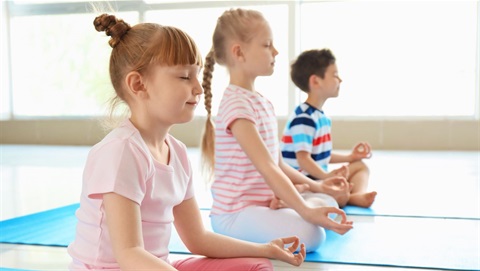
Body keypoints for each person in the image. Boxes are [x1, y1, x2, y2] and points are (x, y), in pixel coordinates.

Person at [67, 13, 308, 271]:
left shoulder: (178, 153)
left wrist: (266, 248)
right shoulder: (120, 152)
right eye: (184, 77)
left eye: (197, 75)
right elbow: (130, 255)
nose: (198, 88)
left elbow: (198, 239)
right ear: (138, 84)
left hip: (159, 265)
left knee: (257, 266)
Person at [200, 8, 353, 253]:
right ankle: (290, 206)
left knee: (329, 202)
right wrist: (305, 210)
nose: (276, 52)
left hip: (263, 205)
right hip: (236, 215)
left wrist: (319, 187)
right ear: (239, 52)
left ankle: (288, 203)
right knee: (312, 235)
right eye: (267, 45)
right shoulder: (236, 105)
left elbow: (279, 163)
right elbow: (267, 167)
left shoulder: (261, 101)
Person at [281, 48, 377, 208]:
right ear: (316, 81)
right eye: (334, 75)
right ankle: (347, 197)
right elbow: (303, 159)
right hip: (306, 179)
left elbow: (321, 155)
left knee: (359, 166)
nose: (340, 79)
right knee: (335, 195)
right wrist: (326, 176)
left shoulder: (321, 117)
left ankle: (354, 195)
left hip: (319, 177)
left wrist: (350, 157)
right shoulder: (303, 118)